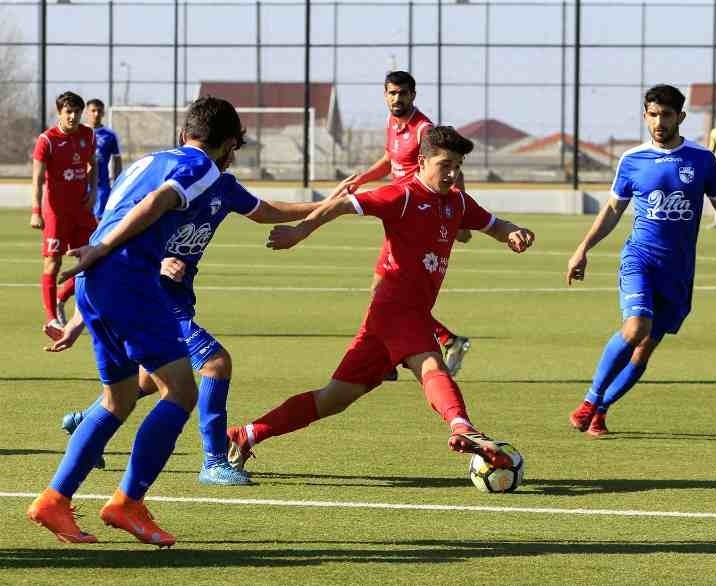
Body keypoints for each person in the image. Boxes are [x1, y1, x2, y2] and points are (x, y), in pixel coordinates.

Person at [227, 126, 535, 473]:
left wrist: (513, 232)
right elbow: (343, 204)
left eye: (458, 167)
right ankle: (462, 427)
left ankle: (245, 434)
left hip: (385, 320)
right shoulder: (402, 196)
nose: (452, 174)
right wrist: (301, 230)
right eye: (445, 165)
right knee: (431, 364)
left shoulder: (457, 202)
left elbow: (493, 224)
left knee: (333, 398)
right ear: (422, 162)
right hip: (397, 310)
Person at [27, 96, 244, 547]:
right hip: (124, 278)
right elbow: (160, 201)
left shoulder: (150, 159)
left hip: (97, 280)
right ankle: (127, 502)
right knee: (181, 389)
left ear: (185, 132)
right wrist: (105, 250)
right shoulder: (203, 165)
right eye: (234, 149)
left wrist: (96, 257)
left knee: (118, 399)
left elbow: (122, 207)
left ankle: (54, 499)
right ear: (224, 144)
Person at [55, 151, 339, 486]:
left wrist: (324, 206)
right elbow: (122, 229)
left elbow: (265, 211)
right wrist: (158, 263)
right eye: (231, 147)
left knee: (147, 380)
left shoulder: (223, 187)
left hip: (177, 297)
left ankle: (87, 419)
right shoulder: (169, 184)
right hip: (152, 297)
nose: (233, 156)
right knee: (215, 364)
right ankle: (213, 461)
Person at [566, 85, 716, 437]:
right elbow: (614, 209)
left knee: (643, 350)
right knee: (635, 328)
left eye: (666, 115)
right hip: (639, 258)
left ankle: (600, 411)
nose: (659, 122)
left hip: (677, 271)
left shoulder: (701, 159)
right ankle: (590, 399)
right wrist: (583, 247)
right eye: (653, 114)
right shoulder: (632, 160)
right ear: (645, 115)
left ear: (680, 117)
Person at [334, 71, 472, 377]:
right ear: (385, 94)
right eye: (392, 93)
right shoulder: (392, 124)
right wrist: (362, 180)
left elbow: (451, 168)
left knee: (393, 294)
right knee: (382, 289)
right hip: (402, 214)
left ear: (413, 95)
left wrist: (457, 210)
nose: (398, 99)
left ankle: (431, 345)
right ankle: (395, 357)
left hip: (421, 215)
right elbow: (389, 160)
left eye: (404, 93)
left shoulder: (424, 129)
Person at [31, 91, 97, 338]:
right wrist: (36, 211)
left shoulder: (88, 134)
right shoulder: (46, 140)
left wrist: (91, 195)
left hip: (81, 211)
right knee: (53, 263)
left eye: (77, 112)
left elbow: (93, 163)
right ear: (59, 112)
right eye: (68, 111)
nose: (73, 116)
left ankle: (61, 298)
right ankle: (52, 319)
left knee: (93, 260)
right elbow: (37, 179)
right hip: (56, 212)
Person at [84, 98, 122, 220]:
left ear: (103, 113)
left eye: (99, 111)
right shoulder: (79, 132)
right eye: (93, 110)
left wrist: (117, 182)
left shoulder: (110, 135)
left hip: (102, 185)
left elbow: (117, 160)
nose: (96, 114)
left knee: (99, 220)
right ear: (86, 112)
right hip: (81, 184)